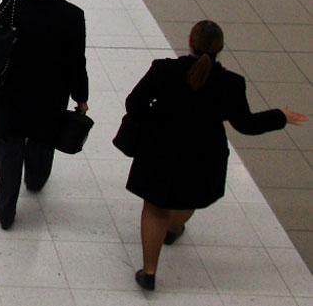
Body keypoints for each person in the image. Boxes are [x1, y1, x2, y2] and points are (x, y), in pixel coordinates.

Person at [125, 20, 307, 292]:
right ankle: (174, 230)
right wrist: (280, 115)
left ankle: (149, 271)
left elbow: (134, 104)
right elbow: (246, 125)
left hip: (161, 148)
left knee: (155, 206)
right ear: (221, 48)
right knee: (189, 196)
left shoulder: (164, 70)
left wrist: (156, 121)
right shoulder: (231, 84)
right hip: (204, 155)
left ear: (190, 41)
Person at [0, 0, 88, 230]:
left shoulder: (13, 0)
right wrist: (81, 98)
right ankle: (36, 180)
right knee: (41, 140)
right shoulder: (72, 16)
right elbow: (76, 61)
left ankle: (5, 211)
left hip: (7, 92)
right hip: (48, 98)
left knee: (8, 148)